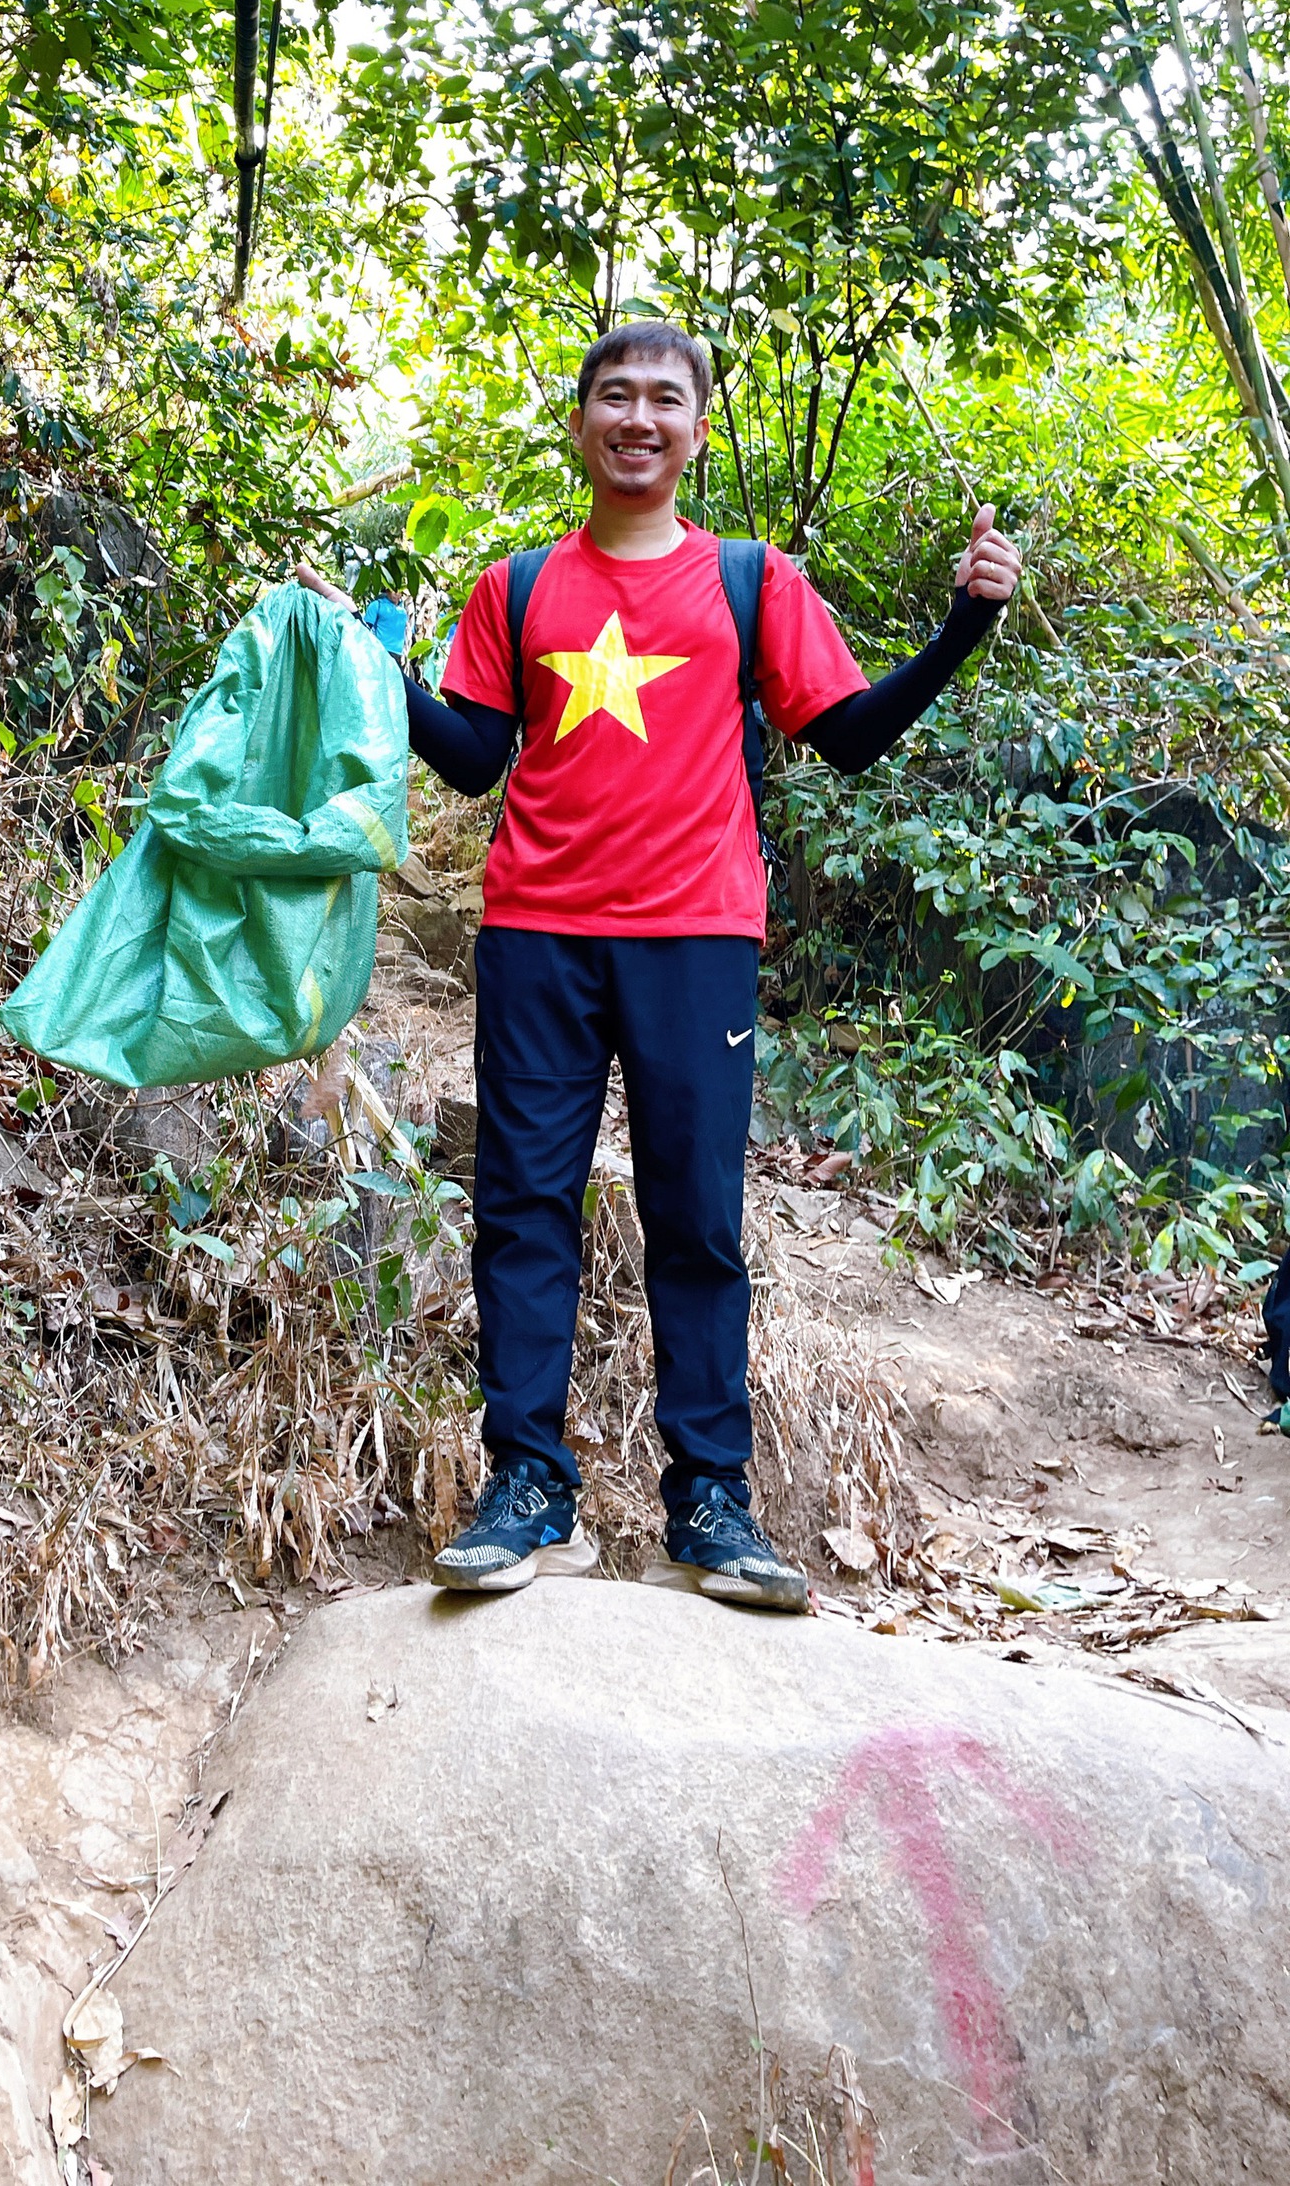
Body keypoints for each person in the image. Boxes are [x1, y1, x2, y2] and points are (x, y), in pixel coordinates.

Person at [299, 320, 1023, 1606]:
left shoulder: (751, 579)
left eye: (664, 400)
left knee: (696, 1217)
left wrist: (960, 628)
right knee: (524, 1207)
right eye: (613, 397)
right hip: (536, 932)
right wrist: (374, 662)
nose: (637, 418)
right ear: (577, 424)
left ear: (692, 426)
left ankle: (711, 1499)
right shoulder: (517, 587)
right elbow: (471, 756)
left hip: (695, 938)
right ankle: (524, 1483)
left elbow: (847, 736)